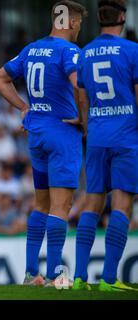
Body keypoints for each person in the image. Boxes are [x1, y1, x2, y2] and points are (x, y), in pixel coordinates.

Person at [0, 0, 87, 287]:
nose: (79, 27)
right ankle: (57, 273)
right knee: (61, 206)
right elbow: (79, 84)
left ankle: (32, 273)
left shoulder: (32, 48)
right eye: (80, 22)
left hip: (37, 133)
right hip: (62, 133)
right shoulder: (70, 50)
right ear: (70, 22)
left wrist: (23, 107)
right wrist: (83, 118)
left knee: (40, 204)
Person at [72, 0, 138, 292]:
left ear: (99, 18)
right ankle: (109, 279)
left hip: (97, 135)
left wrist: (87, 127)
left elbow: (81, 95)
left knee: (91, 203)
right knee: (123, 204)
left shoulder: (85, 53)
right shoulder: (133, 50)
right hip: (126, 135)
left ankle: (78, 278)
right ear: (122, 16)